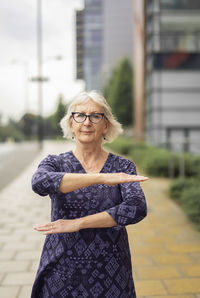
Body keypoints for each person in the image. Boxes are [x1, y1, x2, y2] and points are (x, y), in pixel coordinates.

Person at [31, 90, 148, 298]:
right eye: (80, 115)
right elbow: (39, 183)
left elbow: (136, 208)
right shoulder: (55, 162)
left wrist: (78, 223)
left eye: (95, 116)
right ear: (71, 124)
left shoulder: (123, 166)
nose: (87, 122)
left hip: (111, 271)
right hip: (61, 268)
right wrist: (100, 178)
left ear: (106, 125)